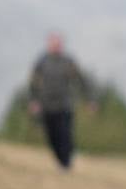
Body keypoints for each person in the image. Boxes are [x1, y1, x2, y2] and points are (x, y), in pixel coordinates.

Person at [28, 32, 91, 170]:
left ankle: (66, 163)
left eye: (58, 44)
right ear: (49, 45)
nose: (55, 46)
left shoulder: (68, 62)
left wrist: (89, 99)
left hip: (65, 105)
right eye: (53, 44)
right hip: (47, 106)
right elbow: (33, 83)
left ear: (61, 45)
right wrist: (33, 101)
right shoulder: (42, 62)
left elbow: (81, 80)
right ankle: (60, 160)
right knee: (52, 136)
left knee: (65, 135)